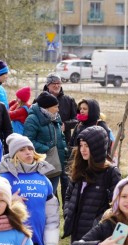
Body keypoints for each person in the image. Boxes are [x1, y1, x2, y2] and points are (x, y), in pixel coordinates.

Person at [42, 73, 78, 205]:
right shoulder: (40, 100)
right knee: (50, 177)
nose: (56, 85)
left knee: (65, 177)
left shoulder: (68, 100)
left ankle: (66, 206)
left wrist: (66, 125)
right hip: (47, 147)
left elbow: (77, 119)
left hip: (65, 144)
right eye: (53, 83)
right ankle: (52, 205)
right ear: (48, 85)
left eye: (58, 83)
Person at [24, 91, 67, 194]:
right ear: (47, 107)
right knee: (42, 194)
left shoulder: (56, 117)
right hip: (41, 164)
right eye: (55, 107)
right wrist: (46, 148)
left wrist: (64, 148)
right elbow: (28, 141)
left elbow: (61, 136)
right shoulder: (32, 119)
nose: (58, 109)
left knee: (51, 195)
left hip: (56, 162)